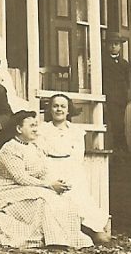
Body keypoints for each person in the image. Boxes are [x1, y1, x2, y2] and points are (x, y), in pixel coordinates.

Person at [0, 111, 93, 249]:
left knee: (65, 200)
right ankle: (55, 241)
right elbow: (20, 178)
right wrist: (49, 186)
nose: (36, 129)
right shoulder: (9, 148)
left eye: (36, 125)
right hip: (5, 193)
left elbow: (43, 172)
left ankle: (71, 239)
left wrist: (56, 183)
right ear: (19, 129)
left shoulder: (35, 147)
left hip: (30, 190)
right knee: (43, 201)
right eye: (32, 126)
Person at [38, 93, 111, 244]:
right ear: (50, 109)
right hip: (49, 168)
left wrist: (69, 176)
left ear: (68, 110)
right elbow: (40, 154)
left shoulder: (76, 131)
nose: (59, 109)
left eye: (62, 106)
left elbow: (78, 156)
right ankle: (69, 231)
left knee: (78, 195)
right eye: (55, 106)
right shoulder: (42, 130)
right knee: (56, 196)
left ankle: (92, 228)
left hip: (71, 169)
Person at [101, 33, 131, 154]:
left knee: (119, 123)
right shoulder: (103, 62)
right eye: (111, 44)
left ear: (120, 46)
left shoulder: (124, 63)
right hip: (110, 97)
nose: (113, 47)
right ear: (107, 46)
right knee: (117, 124)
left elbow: (128, 80)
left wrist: (128, 94)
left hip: (121, 98)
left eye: (116, 44)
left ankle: (119, 149)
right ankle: (122, 149)